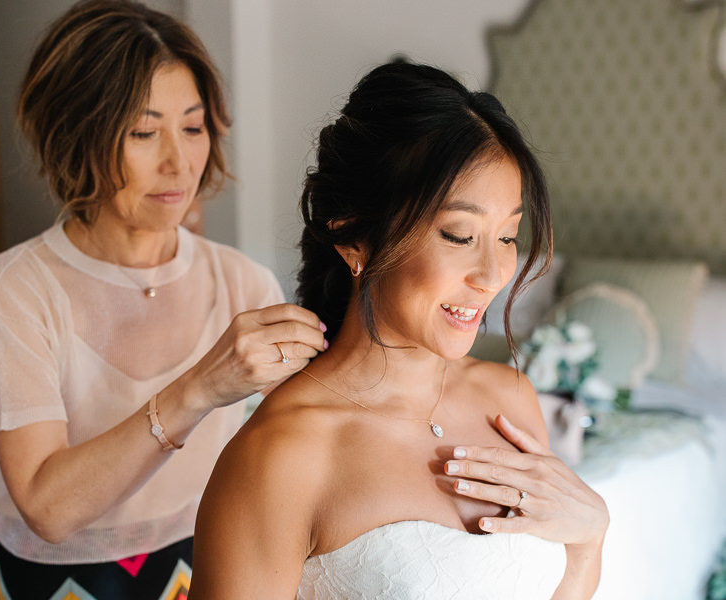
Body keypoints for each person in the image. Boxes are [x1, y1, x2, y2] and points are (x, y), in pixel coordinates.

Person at [189, 61, 609, 599]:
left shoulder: (511, 402)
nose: (490, 277)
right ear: (353, 238)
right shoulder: (282, 453)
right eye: (459, 235)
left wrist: (589, 543)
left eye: (507, 236)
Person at [0, 1, 327, 598]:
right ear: (78, 135)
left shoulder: (244, 283)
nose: (178, 162)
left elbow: (314, 444)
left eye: (194, 126)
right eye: (143, 132)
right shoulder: (12, 292)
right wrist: (199, 388)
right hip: (58, 580)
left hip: (212, 561)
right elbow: (47, 509)